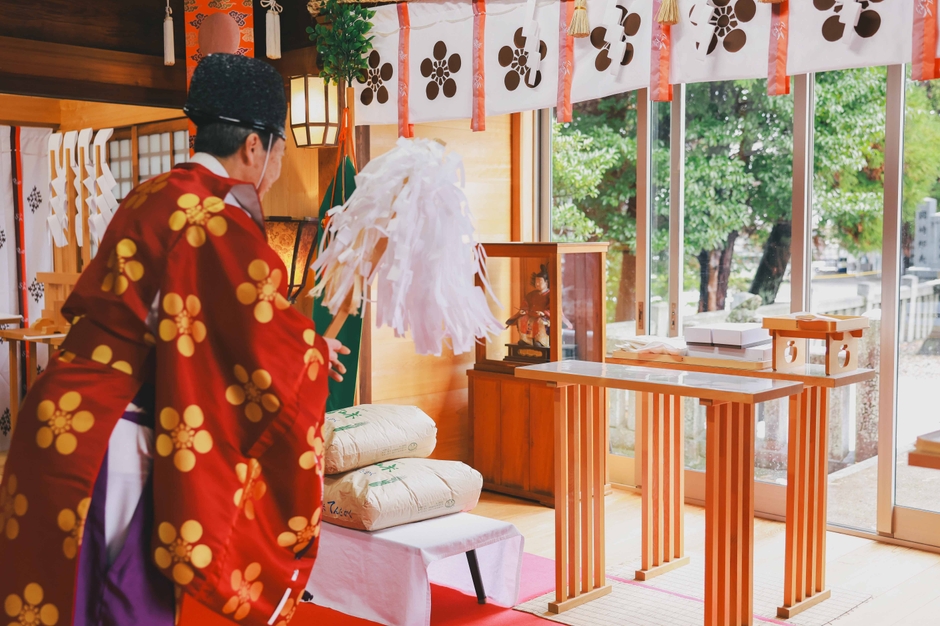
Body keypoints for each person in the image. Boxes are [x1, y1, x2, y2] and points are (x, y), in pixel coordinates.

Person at [0, 53, 347, 626]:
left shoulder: (155, 191)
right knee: (113, 609)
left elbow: (215, 325)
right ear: (256, 147)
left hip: (57, 419)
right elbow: (256, 352)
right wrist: (310, 352)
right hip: (111, 441)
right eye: (281, 150)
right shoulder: (215, 216)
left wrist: (304, 341)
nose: (279, 164)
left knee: (46, 602)